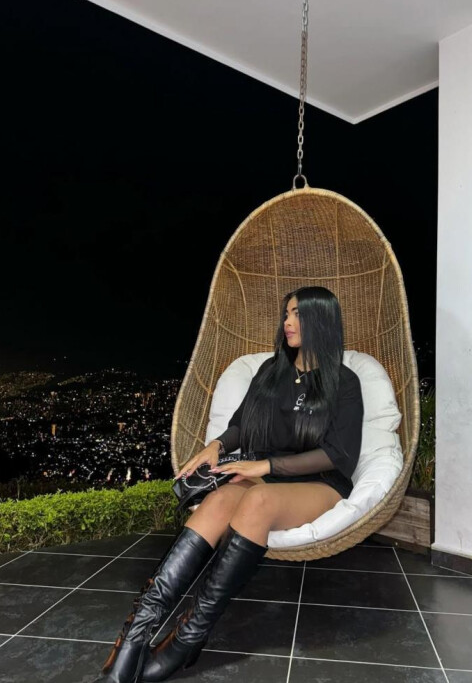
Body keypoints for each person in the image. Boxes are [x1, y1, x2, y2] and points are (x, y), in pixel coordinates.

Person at [96, 286, 364, 683]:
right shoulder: (270, 372)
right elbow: (241, 425)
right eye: (286, 314)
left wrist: (263, 465)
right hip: (267, 476)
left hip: (320, 482)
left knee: (258, 500)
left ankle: (187, 638)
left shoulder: (344, 381)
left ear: (321, 320)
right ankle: (133, 639)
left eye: (297, 314)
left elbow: (339, 454)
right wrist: (216, 447)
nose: (287, 322)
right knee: (219, 500)